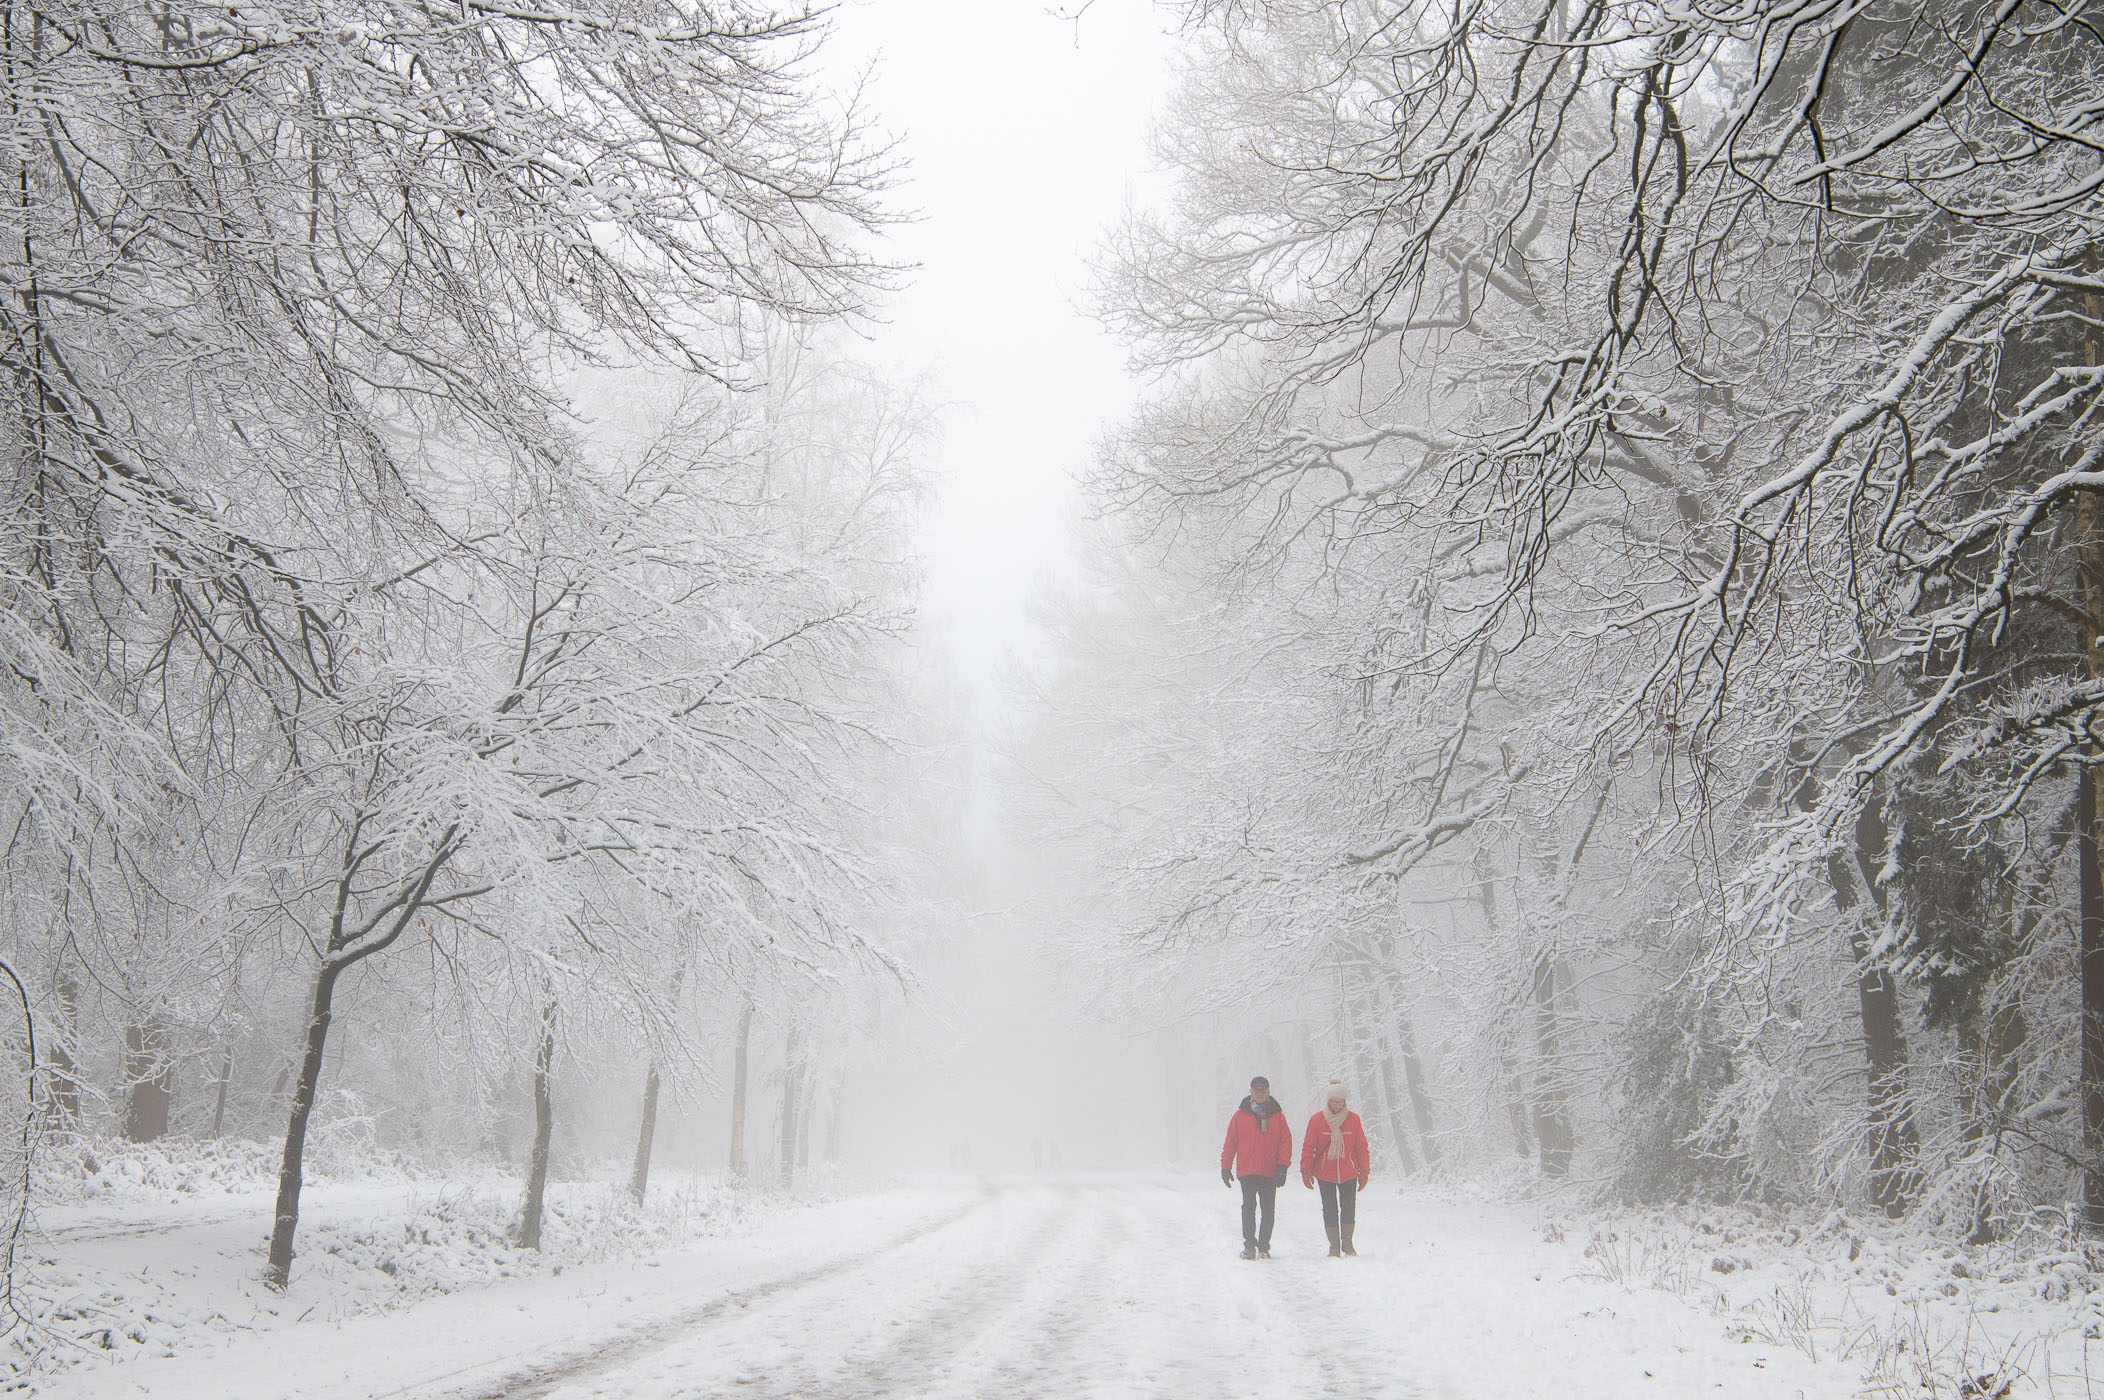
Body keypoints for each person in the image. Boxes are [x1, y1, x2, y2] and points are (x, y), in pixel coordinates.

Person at [1220, 1075, 1293, 1259]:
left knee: (1268, 1210)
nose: (1260, 1094)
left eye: (1263, 1090)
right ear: (1251, 1092)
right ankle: (1250, 1246)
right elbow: (1231, 1142)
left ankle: (1264, 1247)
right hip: (1248, 1170)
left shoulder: (1277, 1115)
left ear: (1268, 1091)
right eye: (1256, 1090)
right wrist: (1225, 1166)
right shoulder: (1240, 1116)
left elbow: (1286, 1142)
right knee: (1248, 1208)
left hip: (1270, 1171)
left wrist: (1282, 1166)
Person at [1301, 1080, 1370, 1257]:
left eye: (1340, 1102)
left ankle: (1347, 1242)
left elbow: (1361, 1147)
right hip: (1325, 1173)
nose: (1337, 1105)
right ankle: (1333, 1245)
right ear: (1328, 1101)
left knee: (1349, 1207)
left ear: (1345, 1102)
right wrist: (1305, 1170)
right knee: (1329, 1208)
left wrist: (1364, 1171)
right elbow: (1309, 1146)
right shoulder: (1317, 1120)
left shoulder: (1353, 1120)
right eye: (1334, 1101)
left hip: (1349, 1172)